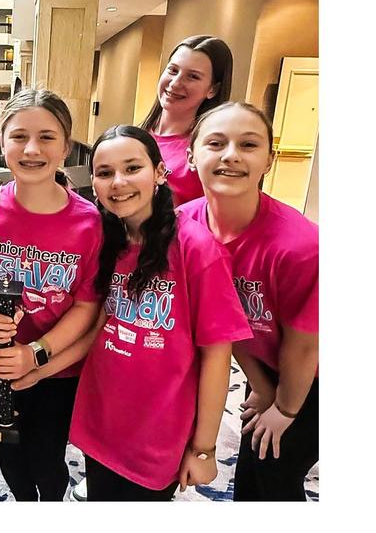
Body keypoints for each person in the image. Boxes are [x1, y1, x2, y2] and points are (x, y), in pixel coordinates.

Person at [20, 124, 251, 501]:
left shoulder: (196, 249)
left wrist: (204, 447)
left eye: (132, 168)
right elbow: (97, 327)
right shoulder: (106, 242)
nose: (118, 182)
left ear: (160, 172)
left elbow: (217, 355)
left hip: (157, 430)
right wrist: (40, 371)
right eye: (105, 173)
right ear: (93, 182)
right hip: (102, 417)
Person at [180, 102, 319, 501]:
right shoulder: (184, 226)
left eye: (249, 144)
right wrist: (260, 386)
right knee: (252, 471)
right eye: (216, 142)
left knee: (277, 477)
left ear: (269, 160)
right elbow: (223, 322)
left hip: (314, 379)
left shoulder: (299, 246)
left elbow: (305, 344)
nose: (231, 155)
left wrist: (287, 409)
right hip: (268, 365)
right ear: (191, 155)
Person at [0, 88, 103, 501]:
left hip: (58, 373)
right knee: (10, 459)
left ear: (66, 146)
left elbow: (88, 305)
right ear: (2, 143)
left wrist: (37, 353)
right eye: (18, 136)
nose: (32, 149)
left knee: (48, 464)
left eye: (47, 137)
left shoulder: (89, 223)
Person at [139, 35, 233, 206]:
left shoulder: (209, 151)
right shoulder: (136, 136)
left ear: (213, 89)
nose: (175, 83)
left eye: (193, 76)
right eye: (173, 70)